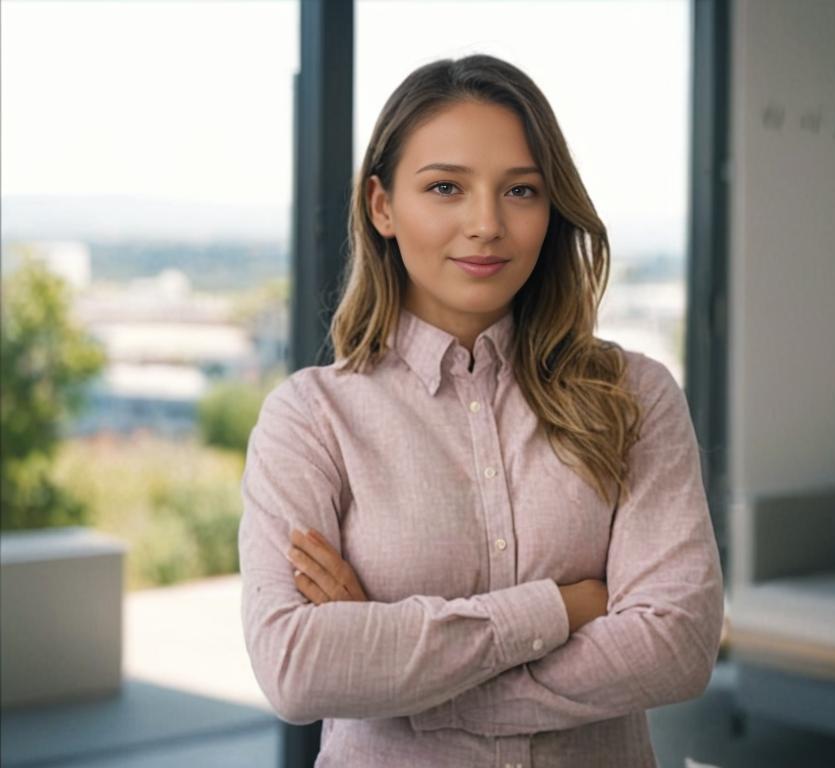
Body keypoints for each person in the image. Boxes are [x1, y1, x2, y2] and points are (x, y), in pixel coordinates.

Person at [239, 53, 724, 768]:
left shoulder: (634, 396)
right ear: (382, 206)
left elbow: (677, 647)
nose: (487, 224)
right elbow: (296, 668)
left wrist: (399, 671)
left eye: (521, 191)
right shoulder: (311, 420)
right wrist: (562, 608)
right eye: (445, 188)